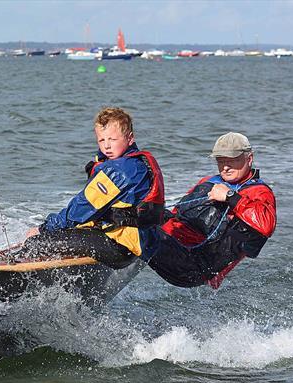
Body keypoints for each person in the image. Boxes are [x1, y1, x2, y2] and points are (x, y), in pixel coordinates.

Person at [21, 107, 165, 268]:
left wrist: (43, 229)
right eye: (102, 140)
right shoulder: (133, 163)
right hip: (134, 240)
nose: (107, 146)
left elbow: (81, 208)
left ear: (130, 138)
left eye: (113, 140)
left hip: (120, 247)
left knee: (35, 243)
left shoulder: (120, 170)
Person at [148, 132, 276, 288]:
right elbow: (179, 213)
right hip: (175, 245)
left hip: (195, 266)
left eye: (232, 161)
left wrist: (230, 197)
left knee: (136, 233)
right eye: (221, 161)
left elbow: (265, 225)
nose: (226, 167)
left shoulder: (259, 193)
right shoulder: (208, 182)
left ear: (249, 159)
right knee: (138, 217)